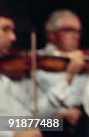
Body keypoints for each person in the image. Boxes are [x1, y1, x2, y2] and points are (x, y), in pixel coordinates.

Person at [0, 8, 66, 137]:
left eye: (13, 31)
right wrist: (13, 135)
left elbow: (30, 120)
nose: (13, 37)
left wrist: (54, 122)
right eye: (5, 29)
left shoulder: (6, 80)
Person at [38, 9, 88, 131]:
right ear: (52, 34)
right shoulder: (37, 62)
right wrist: (59, 116)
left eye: (78, 31)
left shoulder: (84, 61)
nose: (76, 36)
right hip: (50, 127)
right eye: (69, 30)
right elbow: (30, 118)